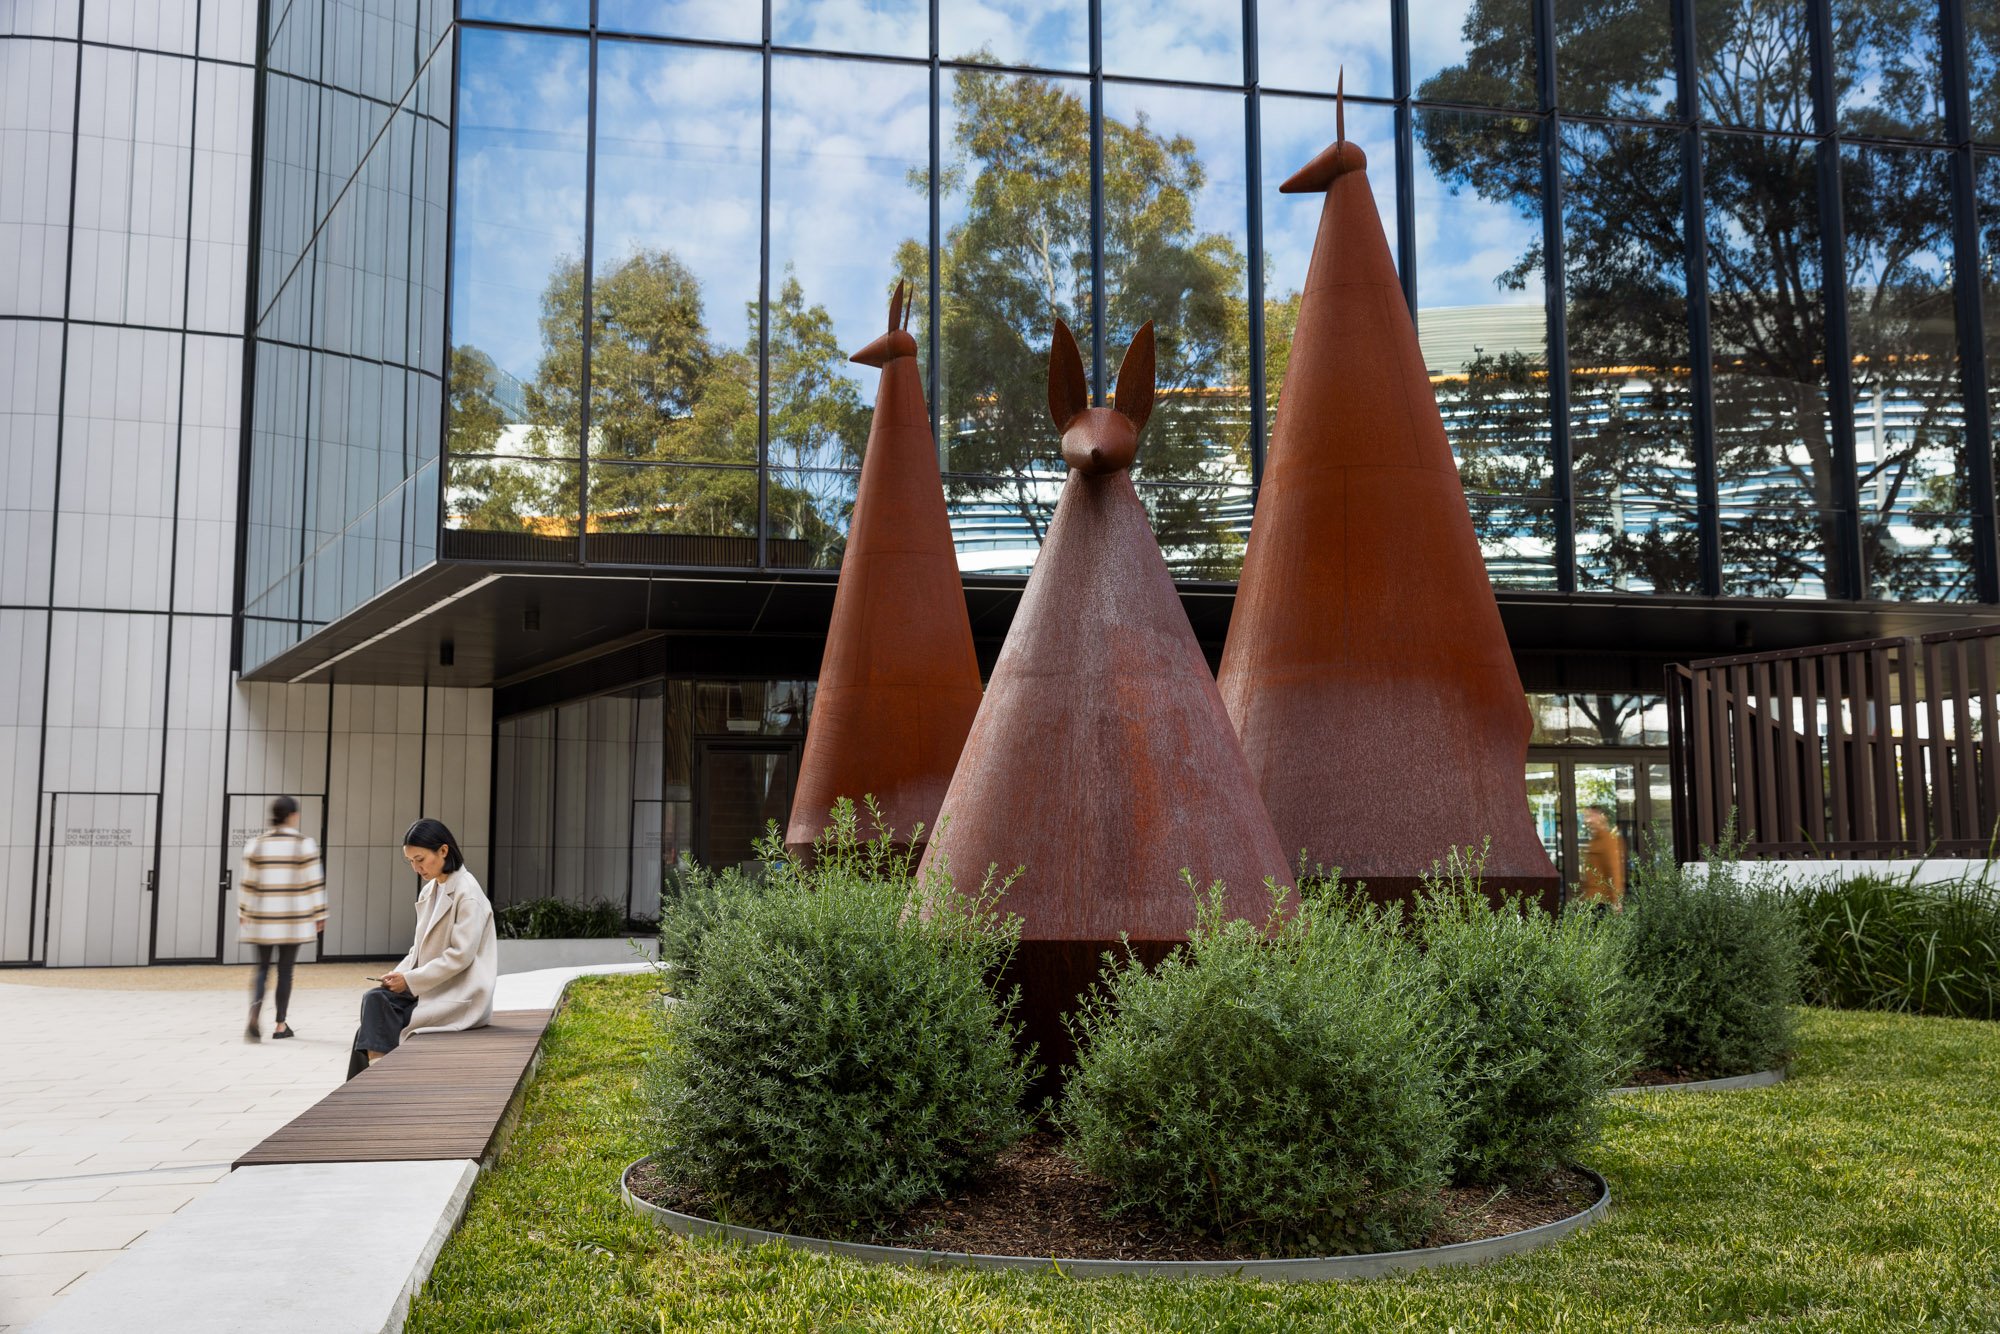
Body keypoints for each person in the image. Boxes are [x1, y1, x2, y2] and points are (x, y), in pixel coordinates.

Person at [347, 819, 497, 1079]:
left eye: (420, 859)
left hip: (459, 993)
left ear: (443, 851)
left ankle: (375, 1082)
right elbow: (418, 948)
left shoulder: (467, 893)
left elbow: (461, 956)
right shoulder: (431, 890)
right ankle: (375, 1081)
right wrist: (399, 975)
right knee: (374, 1006)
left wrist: (410, 980)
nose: (416, 868)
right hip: (431, 987)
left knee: (373, 1021)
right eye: (411, 862)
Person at [239, 795, 326, 1042]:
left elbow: (248, 883)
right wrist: (320, 914)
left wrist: (243, 911)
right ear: (293, 816)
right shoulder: (303, 844)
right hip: (292, 919)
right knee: (285, 971)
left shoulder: (256, 844)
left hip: (263, 919)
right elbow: (314, 883)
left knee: (262, 970)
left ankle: (254, 1014)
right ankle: (280, 1025)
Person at [1578, 804, 1627, 913]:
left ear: (1602, 817)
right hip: (1591, 902)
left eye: (1591, 816)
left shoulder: (1609, 842)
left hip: (1602, 904)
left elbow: (1614, 872)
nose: (1587, 820)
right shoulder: (1594, 841)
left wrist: (1617, 901)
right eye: (1586, 816)